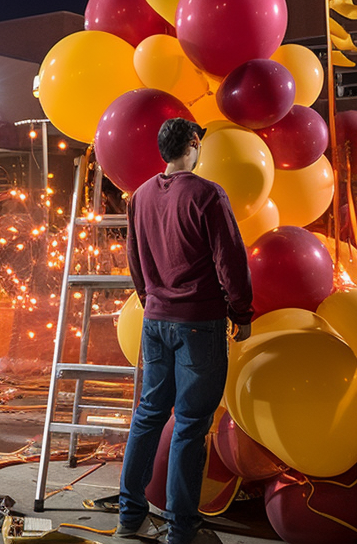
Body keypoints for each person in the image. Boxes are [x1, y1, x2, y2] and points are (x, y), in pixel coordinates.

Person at [119, 118, 253, 544]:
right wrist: (242, 311)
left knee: (148, 414)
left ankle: (130, 516)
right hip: (199, 323)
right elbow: (229, 260)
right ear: (194, 144)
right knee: (191, 424)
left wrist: (151, 299)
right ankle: (181, 529)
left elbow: (135, 262)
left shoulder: (139, 197)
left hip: (156, 321)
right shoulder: (207, 194)